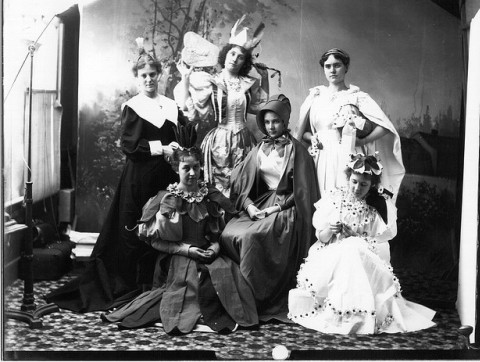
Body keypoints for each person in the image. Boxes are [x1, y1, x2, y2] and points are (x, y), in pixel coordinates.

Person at [46, 41, 186, 312]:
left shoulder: (170, 105)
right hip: (139, 177)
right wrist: (162, 148)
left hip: (164, 177)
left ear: (159, 76)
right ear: (137, 78)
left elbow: (176, 137)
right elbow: (130, 146)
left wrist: (177, 147)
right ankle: (131, 285)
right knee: (135, 230)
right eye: (143, 76)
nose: (148, 79)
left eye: (152, 75)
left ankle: (156, 284)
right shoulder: (133, 106)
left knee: (163, 226)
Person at [102, 146, 258, 334]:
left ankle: (214, 310)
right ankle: (193, 311)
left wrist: (215, 248)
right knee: (192, 279)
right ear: (177, 168)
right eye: (186, 168)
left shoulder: (208, 195)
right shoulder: (166, 200)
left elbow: (214, 234)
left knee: (226, 273)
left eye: (197, 167)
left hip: (206, 253)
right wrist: (186, 250)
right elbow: (155, 242)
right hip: (178, 256)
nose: (192, 173)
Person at [288, 153, 436, 335]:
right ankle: (340, 313)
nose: (357, 188)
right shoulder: (335, 198)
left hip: (364, 256)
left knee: (353, 247)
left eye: (364, 184)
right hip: (332, 252)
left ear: (372, 185)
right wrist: (331, 230)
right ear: (348, 178)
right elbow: (322, 237)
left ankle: (359, 316)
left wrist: (356, 237)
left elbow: (381, 244)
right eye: (354, 182)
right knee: (348, 249)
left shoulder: (377, 206)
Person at [220, 94, 320, 321]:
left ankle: (255, 301)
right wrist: (249, 207)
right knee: (229, 233)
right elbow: (241, 183)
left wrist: (276, 209)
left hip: (287, 208)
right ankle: (236, 295)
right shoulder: (258, 148)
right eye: (266, 122)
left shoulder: (297, 151)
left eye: (275, 121)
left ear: (285, 122)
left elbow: (302, 191)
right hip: (261, 203)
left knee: (252, 237)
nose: (271, 127)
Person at [174, 18, 269, 197]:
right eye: (232, 54)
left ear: (245, 62)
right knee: (220, 186)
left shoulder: (248, 83)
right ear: (225, 55)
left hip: (244, 140)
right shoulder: (212, 81)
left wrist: (265, 79)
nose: (235, 59)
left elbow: (259, 107)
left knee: (242, 185)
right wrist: (185, 79)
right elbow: (192, 111)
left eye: (240, 57)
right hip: (219, 140)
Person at [295, 48, 405, 198]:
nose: (332, 70)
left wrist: (363, 141)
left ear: (346, 67)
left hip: (347, 155)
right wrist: (312, 138)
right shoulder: (316, 96)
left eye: (337, 65)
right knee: (320, 200)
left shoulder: (357, 97)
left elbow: (385, 127)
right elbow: (304, 131)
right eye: (328, 66)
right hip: (320, 157)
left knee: (346, 200)